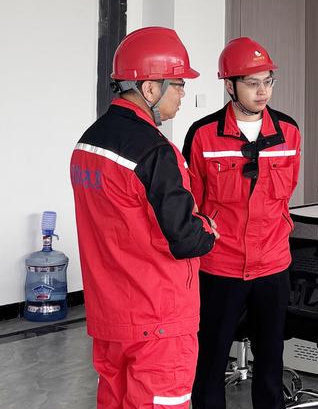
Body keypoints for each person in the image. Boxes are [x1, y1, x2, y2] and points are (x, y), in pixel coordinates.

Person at [70, 26, 219, 409]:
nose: (183, 94)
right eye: (179, 85)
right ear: (150, 88)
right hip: (158, 318)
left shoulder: (88, 143)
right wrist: (207, 227)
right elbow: (185, 239)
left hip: (110, 315)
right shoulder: (156, 152)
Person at [183, 37, 302, 409]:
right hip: (220, 265)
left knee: (271, 361)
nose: (263, 91)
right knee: (211, 359)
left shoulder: (288, 132)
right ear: (230, 86)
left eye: (268, 81)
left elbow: (285, 194)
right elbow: (192, 203)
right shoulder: (203, 135)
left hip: (272, 264)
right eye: (252, 83)